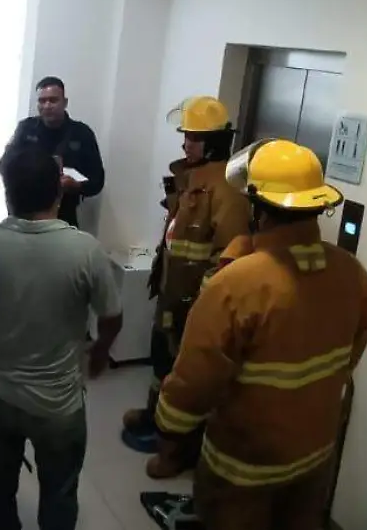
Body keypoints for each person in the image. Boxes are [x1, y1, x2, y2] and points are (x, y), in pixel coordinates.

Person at [147, 139, 367, 530]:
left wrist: (170, 429)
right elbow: (350, 356)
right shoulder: (352, 273)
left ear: (258, 207)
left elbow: (196, 379)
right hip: (314, 457)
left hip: (243, 467)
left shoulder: (237, 282)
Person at [0, 147, 122, 530]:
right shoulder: (85, 249)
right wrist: (99, 352)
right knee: (60, 492)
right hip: (58, 405)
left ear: (8, 192)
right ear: (59, 192)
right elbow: (112, 316)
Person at [121, 96, 251, 480]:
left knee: (186, 375)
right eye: (186, 136)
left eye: (193, 137)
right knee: (161, 359)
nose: (185, 143)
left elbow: (228, 257)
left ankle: (178, 449)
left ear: (213, 142)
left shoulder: (227, 189)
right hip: (172, 290)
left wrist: (203, 305)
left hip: (195, 300)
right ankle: (154, 416)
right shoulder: (194, 178)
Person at [0, 76, 104, 228]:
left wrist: (76, 186)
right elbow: (4, 165)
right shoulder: (26, 128)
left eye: (53, 100)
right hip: (25, 213)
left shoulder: (82, 133)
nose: (47, 106)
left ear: (65, 102)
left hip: (64, 214)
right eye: (42, 101)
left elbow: (97, 181)